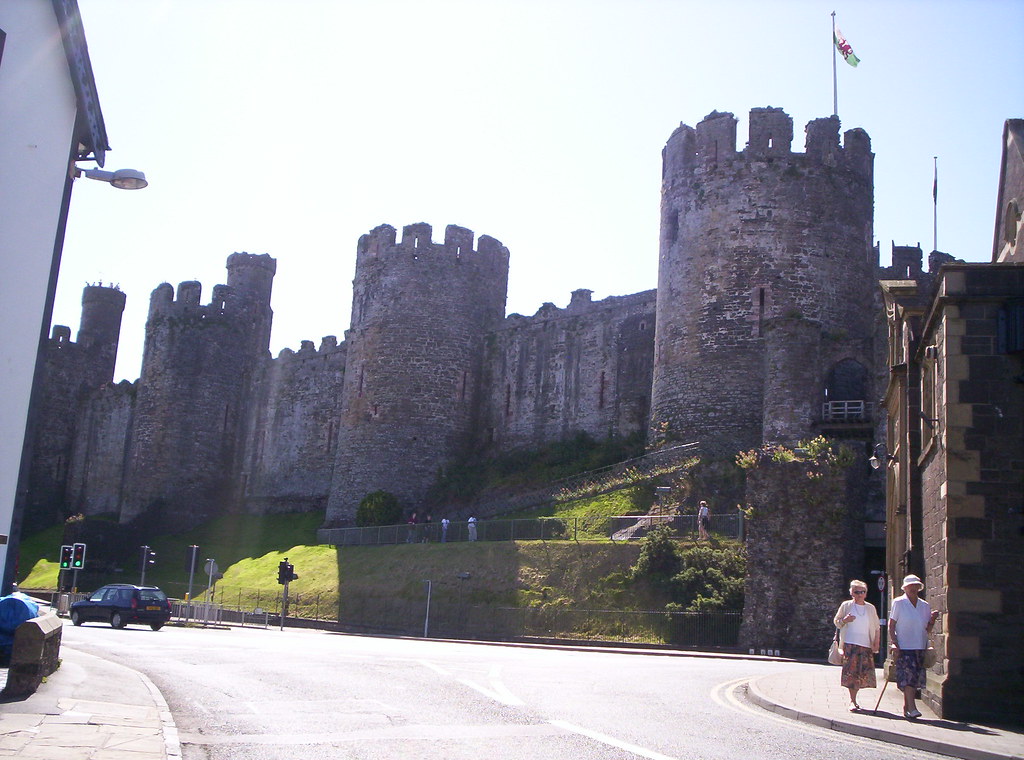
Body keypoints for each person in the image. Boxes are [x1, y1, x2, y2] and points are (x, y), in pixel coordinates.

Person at [888, 574, 939, 719]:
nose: (913, 588)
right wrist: (895, 643)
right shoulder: (899, 602)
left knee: (914, 678)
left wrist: (933, 619)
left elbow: (927, 629)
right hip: (904, 646)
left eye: (916, 586)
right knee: (909, 678)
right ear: (905, 588)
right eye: (910, 586)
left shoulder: (925, 605)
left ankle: (906, 708)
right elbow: (891, 625)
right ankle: (912, 708)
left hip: (920, 646)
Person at [833, 579, 880, 712]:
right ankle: (852, 701)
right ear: (851, 593)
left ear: (866, 593)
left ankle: (855, 697)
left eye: (862, 592)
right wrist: (845, 620)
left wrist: (876, 642)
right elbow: (837, 622)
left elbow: (877, 627)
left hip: (865, 645)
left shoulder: (870, 608)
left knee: (862, 674)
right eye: (856, 592)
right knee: (851, 674)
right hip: (850, 644)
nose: (860, 594)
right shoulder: (846, 606)